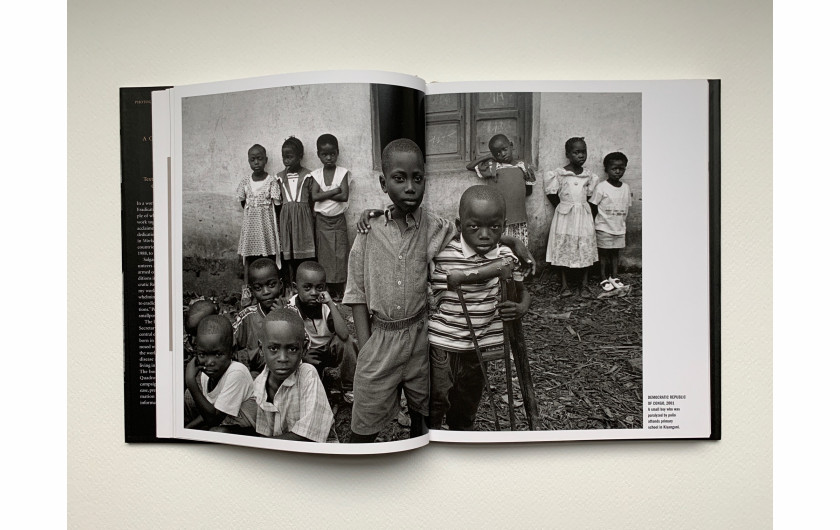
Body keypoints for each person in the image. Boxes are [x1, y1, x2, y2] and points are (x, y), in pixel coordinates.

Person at [345, 139, 535, 443]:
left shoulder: (437, 228)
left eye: (417, 178)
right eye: (399, 178)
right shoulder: (369, 232)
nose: (410, 187)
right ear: (383, 183)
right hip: (380, 340)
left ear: (424, 181)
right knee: (366, 417)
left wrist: (513, 242)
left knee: (425, 412)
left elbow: (476, 232)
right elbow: (356, 293)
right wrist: (366, 346)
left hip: (423, 337)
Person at [428, 185, 531, 430]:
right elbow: (439, 285)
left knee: (467, 401)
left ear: (504, 226)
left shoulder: (507, 254)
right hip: (444, 343)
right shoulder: (443, 254)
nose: (484, 235)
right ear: (459, 224)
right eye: (474, 227)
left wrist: (522, 307)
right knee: (437, 399)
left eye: (494, 227)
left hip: (479, 346)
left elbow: (521, 291)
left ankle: (461, 437)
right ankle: (430, 436)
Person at [252, 308, 334, 442]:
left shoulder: (307, 375)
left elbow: (308, 437)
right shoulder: (259, 385)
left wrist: (263, 446)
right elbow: (263, 434)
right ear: (261, 349)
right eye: (273, 349)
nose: (283, 358)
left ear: (305, 348)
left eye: (292, 349)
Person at [286, 261, 356, 398]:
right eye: (307, 288)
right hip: (307, 352)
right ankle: (313, 383)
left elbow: (344, 334)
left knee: (348, 343)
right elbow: (290, 342)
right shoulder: (291, 309)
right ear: (295, 287)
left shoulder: (325, 306)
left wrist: (330, 303)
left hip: (328, 349)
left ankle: (349, 386)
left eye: (319, 288)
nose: (313, 293)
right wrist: (302, 356)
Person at [544, 137, 599, 297]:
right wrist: (563, 207)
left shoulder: (589, 176)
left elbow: (590, 197)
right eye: (576, 152)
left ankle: (584, 284)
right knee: (563, 245)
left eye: (583, 152)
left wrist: (581, 210)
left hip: (583, 216)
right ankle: (564, 285)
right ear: (568, 154)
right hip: (565, 216)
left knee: (585, 244)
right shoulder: (560, 174)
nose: (581, 155)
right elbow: (552, 194)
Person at [184, 315, 257, 434]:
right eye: (202, 354)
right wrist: (187, 429)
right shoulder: (206, 375)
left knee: (216, 432)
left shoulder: (237, 373)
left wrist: (190, 381)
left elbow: (213, 419)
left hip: (250, 430)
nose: (209, 362)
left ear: (232, 352)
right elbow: (211, 409)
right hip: (225, 422)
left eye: (218, 355)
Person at [466, 134, 536, 246]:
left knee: (520, 245)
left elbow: (528, 191)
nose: (502, 154)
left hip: (519, 216)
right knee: (500, 246)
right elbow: (470, 166)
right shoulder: (492, 166)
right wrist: (488, 156)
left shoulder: (522, 166)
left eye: (504, 149)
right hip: (498, 217)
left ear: (511, 145)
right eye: (497, 153)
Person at [236, 144, 283, 306]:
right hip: (250, 228)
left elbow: (277, 204)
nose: (256, 162)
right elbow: (243, 202)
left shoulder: (272, 181)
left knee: (268, 256)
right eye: (252, 159)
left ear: (266, 160)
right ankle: (247, 289)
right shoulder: (245, 182)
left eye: (260, 158)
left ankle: (271, 288)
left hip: (266, 227)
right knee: (248, 257)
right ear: (249, 161)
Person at [309, 134, 351, 301]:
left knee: (340, 254)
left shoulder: (343, 173)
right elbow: (315, 196)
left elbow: (344, 196)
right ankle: (327, 288)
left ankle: (340, 289)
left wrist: (324, 194)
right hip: (322, 221)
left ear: (337, 153)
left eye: (332, 154)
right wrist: (334, 191)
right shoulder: (316, 175)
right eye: (324, 154)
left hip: (338, 219)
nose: (328, 158)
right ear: (318, 154)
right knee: (325, 255)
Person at [232, 258, 287, 378]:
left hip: (286, 371)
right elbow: (227, 341)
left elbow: (303, 344)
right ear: (252, 291)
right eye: (258, 288)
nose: (266, 291)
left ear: (280, 285)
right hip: (258, 373)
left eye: (271, 285)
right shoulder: (247, 316)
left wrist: (282, 317)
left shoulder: (291, 311)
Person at [275, 136, 317, 295]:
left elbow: (312, 199)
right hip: (286, 218)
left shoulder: (308, 175)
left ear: (300, 156)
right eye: (284, 156)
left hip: (303, 219)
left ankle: (305, 285)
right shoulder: (279, 177)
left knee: (304, 253)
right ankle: (290, 286)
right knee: (288, 253)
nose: (286, 160)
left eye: (290, 156)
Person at [589, 152, 633, 291]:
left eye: (621, 168)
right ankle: (603, 277)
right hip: (603, 227)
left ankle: (614, 276)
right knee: (603, 254)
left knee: (615, 253)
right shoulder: (602, 187)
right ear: (606, 169)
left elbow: (627, 206)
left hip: (619, 227)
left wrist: (620, 223)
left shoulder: (625, 188)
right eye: (614, 168)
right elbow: (593, 206)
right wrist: (597, 223)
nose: (618, 171)